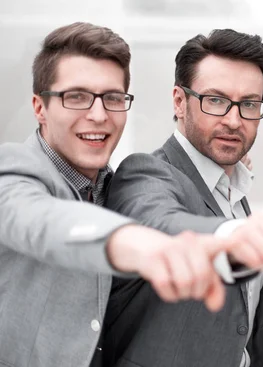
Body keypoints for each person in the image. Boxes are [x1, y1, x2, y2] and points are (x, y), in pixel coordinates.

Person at [0, 22, 234, 367]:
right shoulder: (14, 171)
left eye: (112, 98)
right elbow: (41, 221)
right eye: (76, 97)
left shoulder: (115, 184)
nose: (98, 116)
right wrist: (129, 241)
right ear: (39, 107)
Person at [102, 29, 263, 367]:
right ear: (179, 101)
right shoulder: (146, 173)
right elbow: (160, 221)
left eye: (249, 104)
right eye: (215, 100)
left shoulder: (233, 185)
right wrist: (230, 237)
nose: (233, 120)